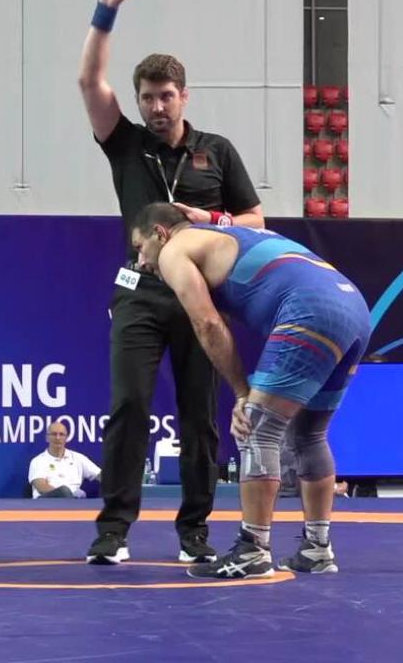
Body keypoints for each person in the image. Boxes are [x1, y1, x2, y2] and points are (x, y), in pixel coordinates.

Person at [78, 0, 264, 565]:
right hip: (138, 294)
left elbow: (256, 223)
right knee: (129, 407)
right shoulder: (126, 145)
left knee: (199, 418)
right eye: (147, 98)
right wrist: (105, 10)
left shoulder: (217, 151)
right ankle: (113, 532)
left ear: (184, 96)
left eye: (165, 97)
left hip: (200, 298)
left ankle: (195, 534)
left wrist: (207, 220)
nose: (156, 108)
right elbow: (90, 83)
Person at [129, 203, 370, 579]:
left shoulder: (176, 250)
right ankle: (317, 549)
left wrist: (243, 393)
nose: (142, 262)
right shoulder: (226, 233)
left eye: (140, 248)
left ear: (160, 233)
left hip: (311, 308)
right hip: (354, 308)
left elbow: (208, 324)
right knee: (309, 434)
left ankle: (253, 550)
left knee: (257, 428)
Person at [29, 420, 102, 498]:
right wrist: (67, 497)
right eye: (54, 434)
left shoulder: (77, 458)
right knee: (64, 491)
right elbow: (41, 487)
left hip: (75, 501)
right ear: (47, 438)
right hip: (47, 502)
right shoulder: (38, 461)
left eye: (61, 434)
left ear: (66, 438)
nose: (58, 438)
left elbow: (100, 475)